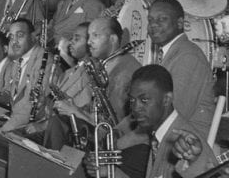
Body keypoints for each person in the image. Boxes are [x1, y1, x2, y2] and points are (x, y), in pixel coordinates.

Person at [85, 65, 216, 178]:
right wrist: (110, 172)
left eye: (144, 100)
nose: (135, 108)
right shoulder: (160, 134)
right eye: (132, 100)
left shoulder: (184, 143)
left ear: (166, 99)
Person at [148, 0, 216, 138]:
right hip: (170, 139)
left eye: (161, 19)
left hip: (188, 146)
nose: (153, 25)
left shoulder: (188, 57)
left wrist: (125, 136)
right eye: (150, 20)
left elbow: (173, 114)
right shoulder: (173, 52)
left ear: (180, 23)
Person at [0, 18, 62, 132]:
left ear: (32, 37)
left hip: (34, 118)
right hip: (16, 112)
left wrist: (7, 126)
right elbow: (11, 94)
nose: (14, 41)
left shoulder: (44, 60)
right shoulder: (18, 60)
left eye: (19, 35)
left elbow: (34, 103)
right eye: (11, 37)